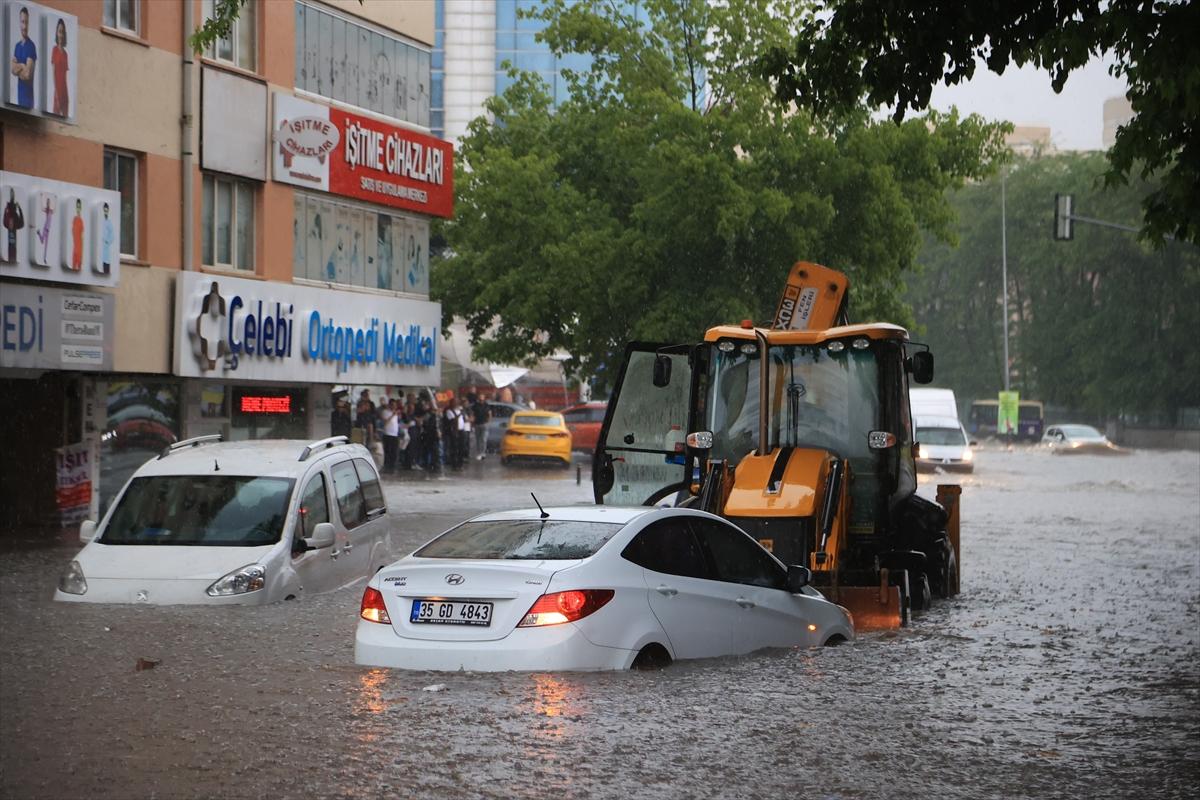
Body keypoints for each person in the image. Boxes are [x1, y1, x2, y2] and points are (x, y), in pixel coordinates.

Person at [10, 6, 36, 110]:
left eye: (26, 22)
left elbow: (27, 75)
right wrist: (22, 65)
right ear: (19, 23)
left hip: (28, 102)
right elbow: (12, 70)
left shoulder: (31, 46)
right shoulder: (17, 46)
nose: (24, 26)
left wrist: (18, 67)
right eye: (22, 22)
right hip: (19, 99)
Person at [51, 18, 68, 117]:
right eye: (59, 32)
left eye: (62, 32)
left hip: (65, 92)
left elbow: (65, 76)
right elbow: (53, 73)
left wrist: (66, 97)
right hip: (58, 91)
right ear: (57, 33)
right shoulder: (54, 50)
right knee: (56, 116)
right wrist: (57, 94)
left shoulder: (65, 54)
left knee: (65, 118)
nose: (61, 35)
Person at [2, 189, 23, 263]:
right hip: (11, 213)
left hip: (12, 214)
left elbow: (21, 222)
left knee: (12, 247)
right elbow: (5, 220)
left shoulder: (13, 221)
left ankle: (12, 259)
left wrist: (19, 209)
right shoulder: (8, 221)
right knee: (11, 247)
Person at [380, 398, 400, 473]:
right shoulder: (385, 412)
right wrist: (392, 415)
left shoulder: (396, 414)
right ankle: (387, 467)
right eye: (392, 405)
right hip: (387, 434)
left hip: (395, 435)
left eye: (395, 405)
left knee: (394, 452)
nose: (394, 407)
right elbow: (385, 422)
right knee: (388, 451)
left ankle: (393, 467)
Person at [470, 393, 491, 460]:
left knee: (483, 439)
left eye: (482, 398)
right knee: (478, 439)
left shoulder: (487, 405)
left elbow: (490, 414)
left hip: (484, 424)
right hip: (477, 424)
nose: (481, 399)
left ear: (484, 398)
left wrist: (488, 422)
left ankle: (483, 453)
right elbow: (472, 414)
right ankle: (479, 453)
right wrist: (472, 423)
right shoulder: (475, 405)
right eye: (480, 398)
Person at [98, 202, 114, 275]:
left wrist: (107, 241)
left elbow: (112, 235)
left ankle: (106, 273)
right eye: (104, 210)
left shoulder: (109, 222)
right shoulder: (100, 221)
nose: (105, 211)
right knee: (100, 262)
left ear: (108, 210)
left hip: (106, 246)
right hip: (100, 246)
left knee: (106, 261)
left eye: (106, 210)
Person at [70, 198, 84, 271]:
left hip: (80, 246)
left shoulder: (81, 220)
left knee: (79, 264)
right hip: (75, 245)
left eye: (79, 207)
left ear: (80, 208)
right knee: (74, 264)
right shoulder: (74, 219)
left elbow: (82, 234)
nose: (78, 208)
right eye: (77, 206)